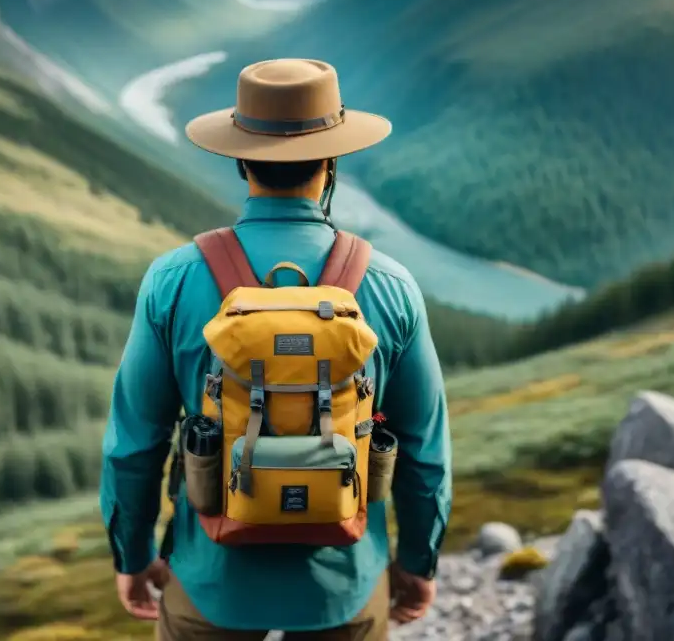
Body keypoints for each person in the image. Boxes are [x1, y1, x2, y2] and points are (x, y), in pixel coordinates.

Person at [100, 58, 452, 640]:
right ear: (332, 160)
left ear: (241, 160)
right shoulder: (390, 286)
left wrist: (132, 557)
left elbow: (134, 444)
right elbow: (423, 450)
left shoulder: (174, 281)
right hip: (346, 585)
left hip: (209, 581)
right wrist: (418, 564)